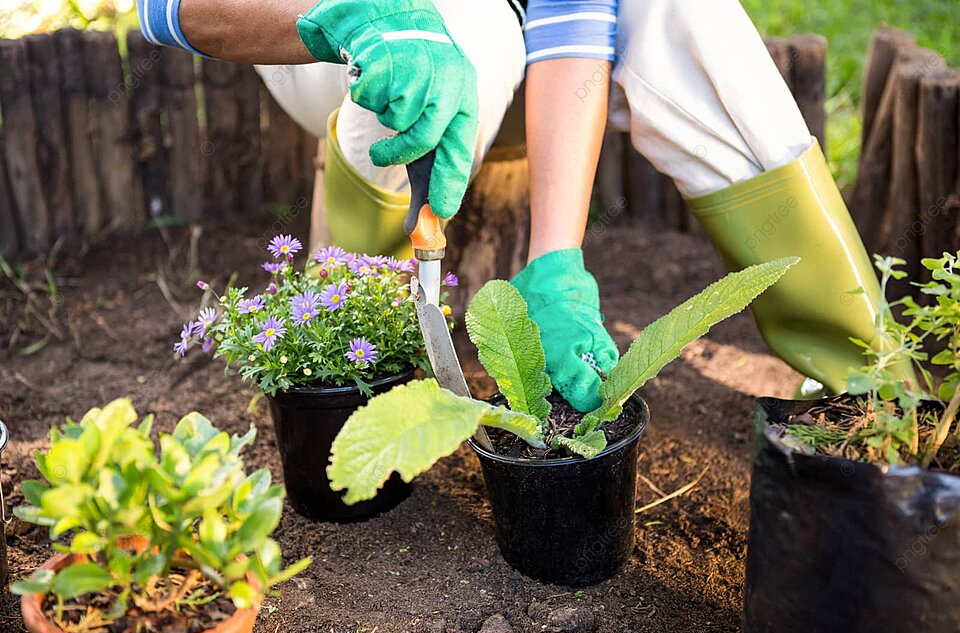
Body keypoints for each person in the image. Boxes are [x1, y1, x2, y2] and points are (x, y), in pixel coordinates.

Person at [135, 0, 894, 412]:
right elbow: (159, 7)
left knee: (687, 13)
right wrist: (350, 17)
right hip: (336, 44)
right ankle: (358, 351)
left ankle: (866, 378)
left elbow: (573, 14)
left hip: (545, 62)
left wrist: (556, 256)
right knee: (468, 18)